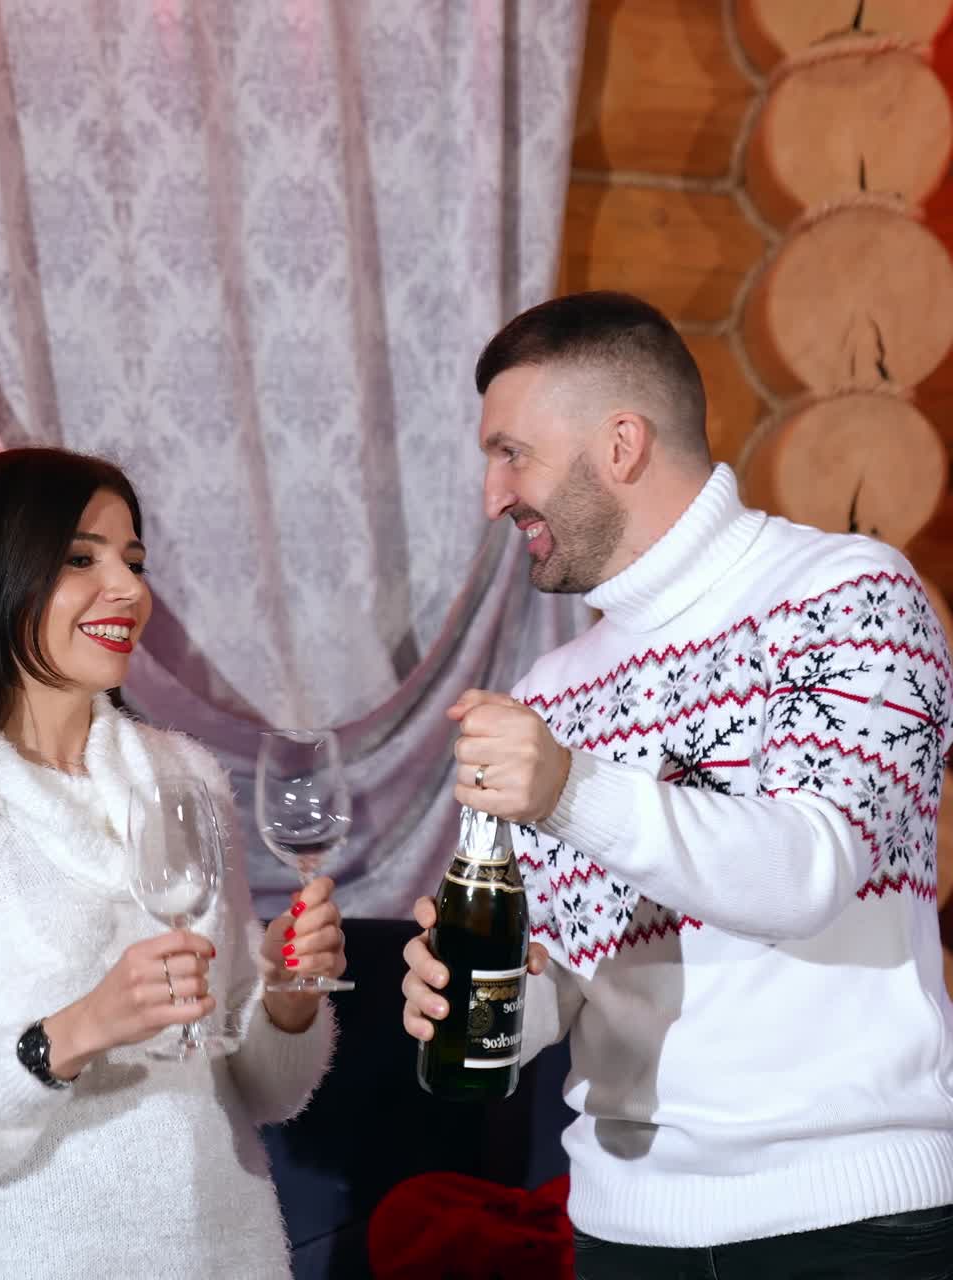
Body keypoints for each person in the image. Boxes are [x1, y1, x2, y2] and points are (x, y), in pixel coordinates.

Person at [402, 291, 953, 1278]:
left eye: (510, 452)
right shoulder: (550, 694)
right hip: (625, 1230)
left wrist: (568, 788)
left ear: (619, 444)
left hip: (851, 1222)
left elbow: (807, 870)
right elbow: (565, 984)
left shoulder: (851, 595)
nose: (491, 494)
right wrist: (473, 999)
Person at [0, 447, 344, 1280]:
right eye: (81, 558)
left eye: (133, 561)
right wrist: (76, 1031)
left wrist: (285, 1000)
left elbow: (265, 1090)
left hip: (227, 1251)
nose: (129, 590)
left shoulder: (186, 779)